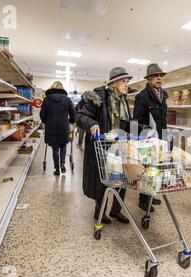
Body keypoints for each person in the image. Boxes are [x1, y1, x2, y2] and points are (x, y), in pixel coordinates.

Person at [76, 67, 135, 224]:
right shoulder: (99, 97)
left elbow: (126, 124)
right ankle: (99, 212)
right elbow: (80, 116)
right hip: (102, 146)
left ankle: (116, 211)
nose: (126, 84)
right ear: (114, 83)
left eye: (127, 81)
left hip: (119, 146)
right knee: (102, 181)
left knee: (122, 180)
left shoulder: (123, 101)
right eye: (123, 81)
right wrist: (92, 124)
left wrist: (142, 129)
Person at [133, 63, 168, 212]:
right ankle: (143, 200)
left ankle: (151, 195)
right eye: (155, 76)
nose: (159, 78)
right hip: (147, 139)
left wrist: (165, 138)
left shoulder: (163, 95)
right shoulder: (142, 96)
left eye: (160, 76)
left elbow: (163, 119)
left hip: (160, 138)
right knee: (146, 169)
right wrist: (140, 139)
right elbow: (136, 121)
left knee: (156, 168)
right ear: (149, 79)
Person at [40, 81, 76, 176]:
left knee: (55, 148)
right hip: (63, 125)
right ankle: (62, 164)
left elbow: (42, 114)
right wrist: (71, 121)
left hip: (51, 126)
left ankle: (56, 169)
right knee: (63, 145)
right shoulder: (67, 100)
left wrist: (45, 120)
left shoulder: (46, 99)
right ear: (62, 88)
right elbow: (73, 113)